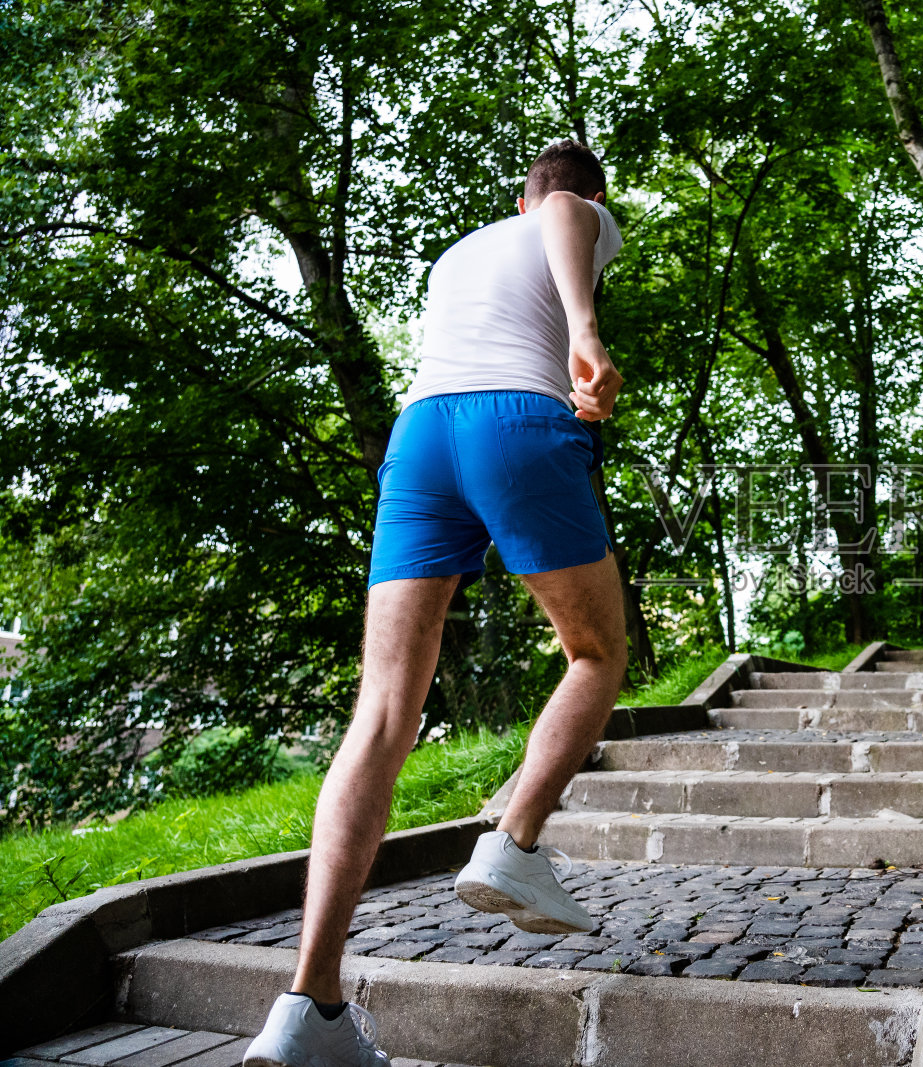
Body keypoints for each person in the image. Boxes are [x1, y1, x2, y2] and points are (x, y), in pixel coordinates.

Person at [244, 140, 628, 1067]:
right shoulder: (571, 214)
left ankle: (308, 1007)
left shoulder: (460, 251)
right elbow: (567, 218)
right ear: (582, 194)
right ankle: (516, 841)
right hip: (514, 421)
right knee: (596, 653)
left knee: (381, 714)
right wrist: (585, 327)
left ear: (515, 190)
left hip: (420, 440)